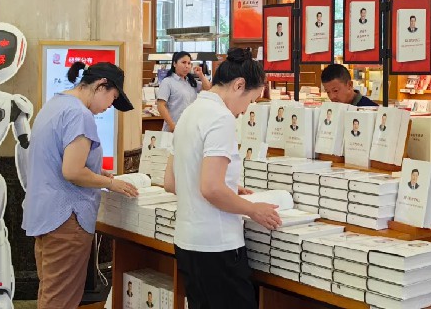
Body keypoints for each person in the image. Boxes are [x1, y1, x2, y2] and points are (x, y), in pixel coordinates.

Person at [164, 47, 281, 308]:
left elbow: (171, 181)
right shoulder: (221, 118)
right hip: (217, 245)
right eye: (250, 100)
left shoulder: (189, 112)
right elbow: (211, 188)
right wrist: (253, 210)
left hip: (187, 242)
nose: (246, 110)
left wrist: (229, 186)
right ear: (239, 85)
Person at [22, 61, 139, 309]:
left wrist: (96, 172)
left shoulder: (55, 104)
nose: (109, 106)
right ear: (101, 85)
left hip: (45, 214)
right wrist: (111, 183)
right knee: (61, 299)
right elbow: (72, 171)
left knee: (51, 292)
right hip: (66, 219)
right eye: (112, 98)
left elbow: (57, 159)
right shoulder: (80, 114)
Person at [157, 51, 211, 132]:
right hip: (173, 129)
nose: (187, 66)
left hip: (190, 128)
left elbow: (208, 88)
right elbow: (160, 105)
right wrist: (172, 125)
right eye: (183, 62)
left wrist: (201, 75)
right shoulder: (167, 82)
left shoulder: (191, 81)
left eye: (189, 63)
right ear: (174, 64)